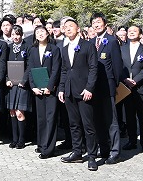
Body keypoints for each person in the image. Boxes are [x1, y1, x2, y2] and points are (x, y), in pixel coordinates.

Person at [58, 18, 99, 171]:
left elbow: (94, 68)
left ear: (78, 29)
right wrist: (61, 89)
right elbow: (64, 70)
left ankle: (92, 156)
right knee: (74, 124)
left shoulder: (88, 46)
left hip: (84, 91)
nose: (68, 29)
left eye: (71, 26)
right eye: (66, 27)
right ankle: (77, 152)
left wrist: (89, 88)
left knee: (88, 125)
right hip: (69, 91)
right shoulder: (64, 48)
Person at [90, 12, 124, 165]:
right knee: (97, 120)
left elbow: (117, 66)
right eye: (93, 23)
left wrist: (114, 84)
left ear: (104, 23)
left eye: (98, 22)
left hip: (107, 87)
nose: (96, 25)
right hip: (94, 88)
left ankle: (115, 152)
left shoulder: (112, 41)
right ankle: (103, 148)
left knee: (111, 120)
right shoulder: (91, 41)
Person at [27, 25, 61, 159]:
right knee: (41, 118)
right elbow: (30, 69)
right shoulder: (33, 50)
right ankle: (41, 144)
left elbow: (56, 69)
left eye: (42, 31)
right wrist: (33, 87)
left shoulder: (54, 49)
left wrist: (50, 86)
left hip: (50, 90)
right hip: (38, 90)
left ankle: (49, 149)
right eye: (37, 32)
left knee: (50, 118)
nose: (40, 34)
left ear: (48, 33)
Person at [121, 25, 143, 154]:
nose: (131, 33)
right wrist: (125, 79)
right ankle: (132, 141)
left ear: (140, 34)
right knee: (129, 116)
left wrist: (136, 80)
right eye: (129, 31)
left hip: (141, 88)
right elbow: (118, 66)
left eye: (134, 31)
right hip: (126, 87)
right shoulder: (122, 48)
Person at [5, 25, 31, 149]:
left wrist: (24, 80)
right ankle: (14, 139)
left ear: (22, 35)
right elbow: (4, 65)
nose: (15, 37)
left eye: (17, 34)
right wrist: (7, 79)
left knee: (20, 112)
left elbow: (30, 65)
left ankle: (21, 139)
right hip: (11, 85)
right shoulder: (8, 48)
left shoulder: (27, 47)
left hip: (22, 85)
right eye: (13, 34)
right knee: (12, 112)